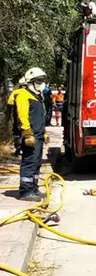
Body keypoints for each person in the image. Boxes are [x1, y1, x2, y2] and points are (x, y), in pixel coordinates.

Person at [15, 67, 49, 202]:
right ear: (31, 82)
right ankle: (25, 191)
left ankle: (34, 188)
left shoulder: (37, 97)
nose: (42, 83)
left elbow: (40, 117)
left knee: (36, 162)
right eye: (39, 81)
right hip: (31, 136)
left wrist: (44, 132)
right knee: (29, 162)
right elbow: (23, 116)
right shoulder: (23, 95)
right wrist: (27, 134)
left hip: (38, 135)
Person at [5, 78, 27, 158]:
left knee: (17, 133)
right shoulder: (31, 93)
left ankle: (18, 149)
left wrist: (8, 116)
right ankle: (25, 150)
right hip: (28, 118)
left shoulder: (15, 93)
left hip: (17, 117)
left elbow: (9, 106)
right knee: (26, 133)